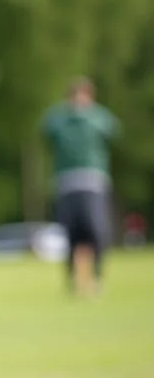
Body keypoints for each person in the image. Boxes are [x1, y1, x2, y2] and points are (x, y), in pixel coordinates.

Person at [41, 77, 119, 295]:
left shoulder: (98, 118)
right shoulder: (59, 119)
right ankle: (73, 280)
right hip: (66, 182)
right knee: (70, 234)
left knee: (95, 230)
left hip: (93, 181)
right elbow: (46, 130)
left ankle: (96, 277)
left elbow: (112, 130)